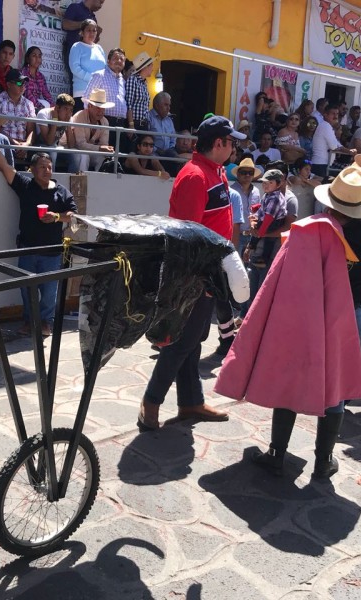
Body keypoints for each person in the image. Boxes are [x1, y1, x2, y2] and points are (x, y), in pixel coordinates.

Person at [221, 166, 361, 479]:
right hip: (349, 317)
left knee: (290, 379)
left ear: (331, 201)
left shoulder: (308, 229)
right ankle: (323, 460)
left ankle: (276, 454)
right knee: (335, 388)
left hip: (304, 315)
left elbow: (281, 274)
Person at [137, 115, 245, 431]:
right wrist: (197, 281)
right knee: (181, 343)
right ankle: (151, 401)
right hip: (195, 278)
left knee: (194, 339)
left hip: (210, 274)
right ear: (219, 144)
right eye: (231, 141)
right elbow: (184, 236)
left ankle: (190, 402)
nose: (235, 146)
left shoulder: (215, 173)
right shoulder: (195, 177)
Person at [0, 133, 77, 337]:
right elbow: (6, 168)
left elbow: (73, 215)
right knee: (26, 290)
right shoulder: (25, 186)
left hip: (52, 252)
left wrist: (57, 217)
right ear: (32, 169)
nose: (47, 170)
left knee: (49, 293)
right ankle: (28, 321)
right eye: (42, 167)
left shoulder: (61, 191)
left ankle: (45, 323)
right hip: (28, 249)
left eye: (49, 167)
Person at [84, 48, 128, 149]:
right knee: (105, 155)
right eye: (116, 58)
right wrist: (91, 121)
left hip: (120, 124)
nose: (119, 61)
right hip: (104, 120)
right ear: (108, 61)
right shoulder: (100, 75)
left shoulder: (123, 80)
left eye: (122, 59)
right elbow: (87, 99)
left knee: (117, 156)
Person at [246, 169, 288, 268]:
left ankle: (258, 251)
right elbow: (263, 207)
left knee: (268, 239)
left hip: (274, 222)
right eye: (264, 182)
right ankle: (255, 247)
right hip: (268, 220)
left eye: (270, 183)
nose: (266, 185)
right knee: (262, 230)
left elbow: (269, 217)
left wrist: (260, 232)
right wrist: (256, 208)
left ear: (278, 185)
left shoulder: (275, 198)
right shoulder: (267, 195)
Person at [0, 68, 36, 155]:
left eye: (24, 83)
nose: (22, 86)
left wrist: (27, 144)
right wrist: (14, 143)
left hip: (24, 146)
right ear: (8, 84)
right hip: (4, 145)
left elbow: (31, 129)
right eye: (19, 83)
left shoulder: (29, 104)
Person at [68, 88, 114, 172]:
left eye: (103, 108)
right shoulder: (80, 116)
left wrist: (104, 149)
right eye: (98, 108)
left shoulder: (105, 122)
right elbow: (79, 145)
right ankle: (82, 182)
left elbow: (103, 144)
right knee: (84, 156)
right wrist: (100, 148)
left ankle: (99, 183)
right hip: (70, 149)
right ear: (89, 106)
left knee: (102, 158)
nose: (100, 111)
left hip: (87, 151)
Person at [68, 19, 106, 111]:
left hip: (98, 94)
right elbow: (75, 68)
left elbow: (104, 69)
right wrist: (92, 79)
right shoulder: (77, 46)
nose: (92, 33)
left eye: (94, 30)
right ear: (82, 32)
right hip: (82, 93)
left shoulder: (99, 48)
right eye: (88, 30)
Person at [311, 104, 356, 178]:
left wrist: (349, 151)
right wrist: (349, 151)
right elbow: (334, 147)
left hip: (323, 164)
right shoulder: (325, 126)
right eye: (333, 114)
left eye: (337, 114)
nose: (336, 116)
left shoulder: (328, 126)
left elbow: (338, 145)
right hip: (320, 165)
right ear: (325, 115)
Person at [35, 93, 76, 171]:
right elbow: (49, 142)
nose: (68, 114)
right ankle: (51, 180)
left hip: (54, 147)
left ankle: (74, 182)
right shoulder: (44, 114)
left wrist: (68, 124)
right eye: (66, 109)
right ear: (57, 107)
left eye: (71, 110)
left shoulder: (68, 118)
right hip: (38, 148)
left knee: (75, 154)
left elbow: (71, 145)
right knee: (52, 152)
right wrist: (55, 120)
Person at [62, 0, 103, 75]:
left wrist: (96, 36)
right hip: (74, 51)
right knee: (75, 78)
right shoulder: (75, 7)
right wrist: (85, 24)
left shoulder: (93, 18)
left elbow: (91, 41)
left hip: (88, 55)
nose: (101, 6)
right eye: (101, 2)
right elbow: (65, 25)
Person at [125, 51, 153, 132]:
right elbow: (128, 104)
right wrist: (131, 124)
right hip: (135, 123)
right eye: (151, 65)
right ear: (145, 67)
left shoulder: (144, 83)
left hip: (144, 124)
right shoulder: (132, 80)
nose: (152, 68)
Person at [148, 91, 176, 156]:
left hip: (168, 154)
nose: (168, 108)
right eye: (166, 105)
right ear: (157, 105)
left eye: (169, 105)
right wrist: (157, 150)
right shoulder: (148, 117)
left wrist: (170, 150)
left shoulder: (169, 120)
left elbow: (173, 139)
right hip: (152, 154)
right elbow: (145, 139)